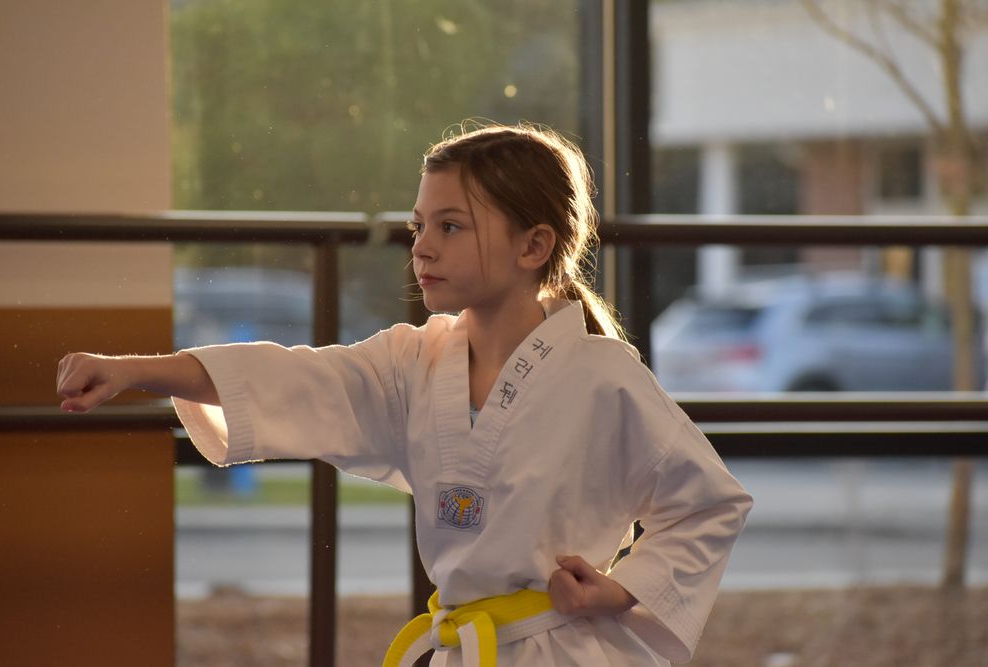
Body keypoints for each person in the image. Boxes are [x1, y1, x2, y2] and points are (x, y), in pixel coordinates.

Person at [56, 123, 752, 666]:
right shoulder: (414, 359)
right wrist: (134, 368)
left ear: (534, 245)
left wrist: (622, 585)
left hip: (564, 646)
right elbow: (295, 375)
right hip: (459, 646)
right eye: (419, 226)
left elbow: (708, 501)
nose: (422, 247)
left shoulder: (604, 374)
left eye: (451, 226)